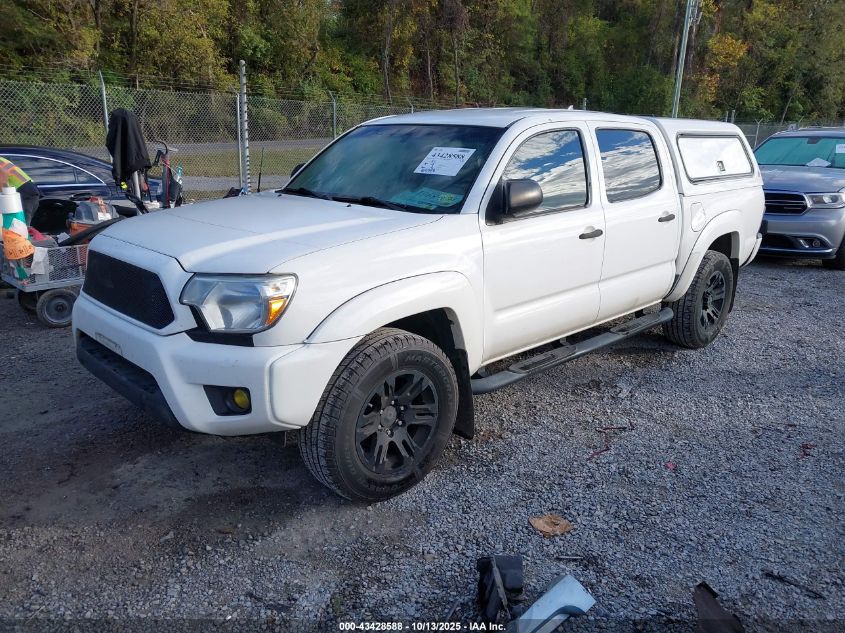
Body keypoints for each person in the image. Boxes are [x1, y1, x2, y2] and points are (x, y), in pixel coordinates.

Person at [0, 156, 40, 224]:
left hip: (23, 192)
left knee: (17, 226)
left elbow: (2, 176)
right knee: (17, 226)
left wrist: (3, 196)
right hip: (26, 190)